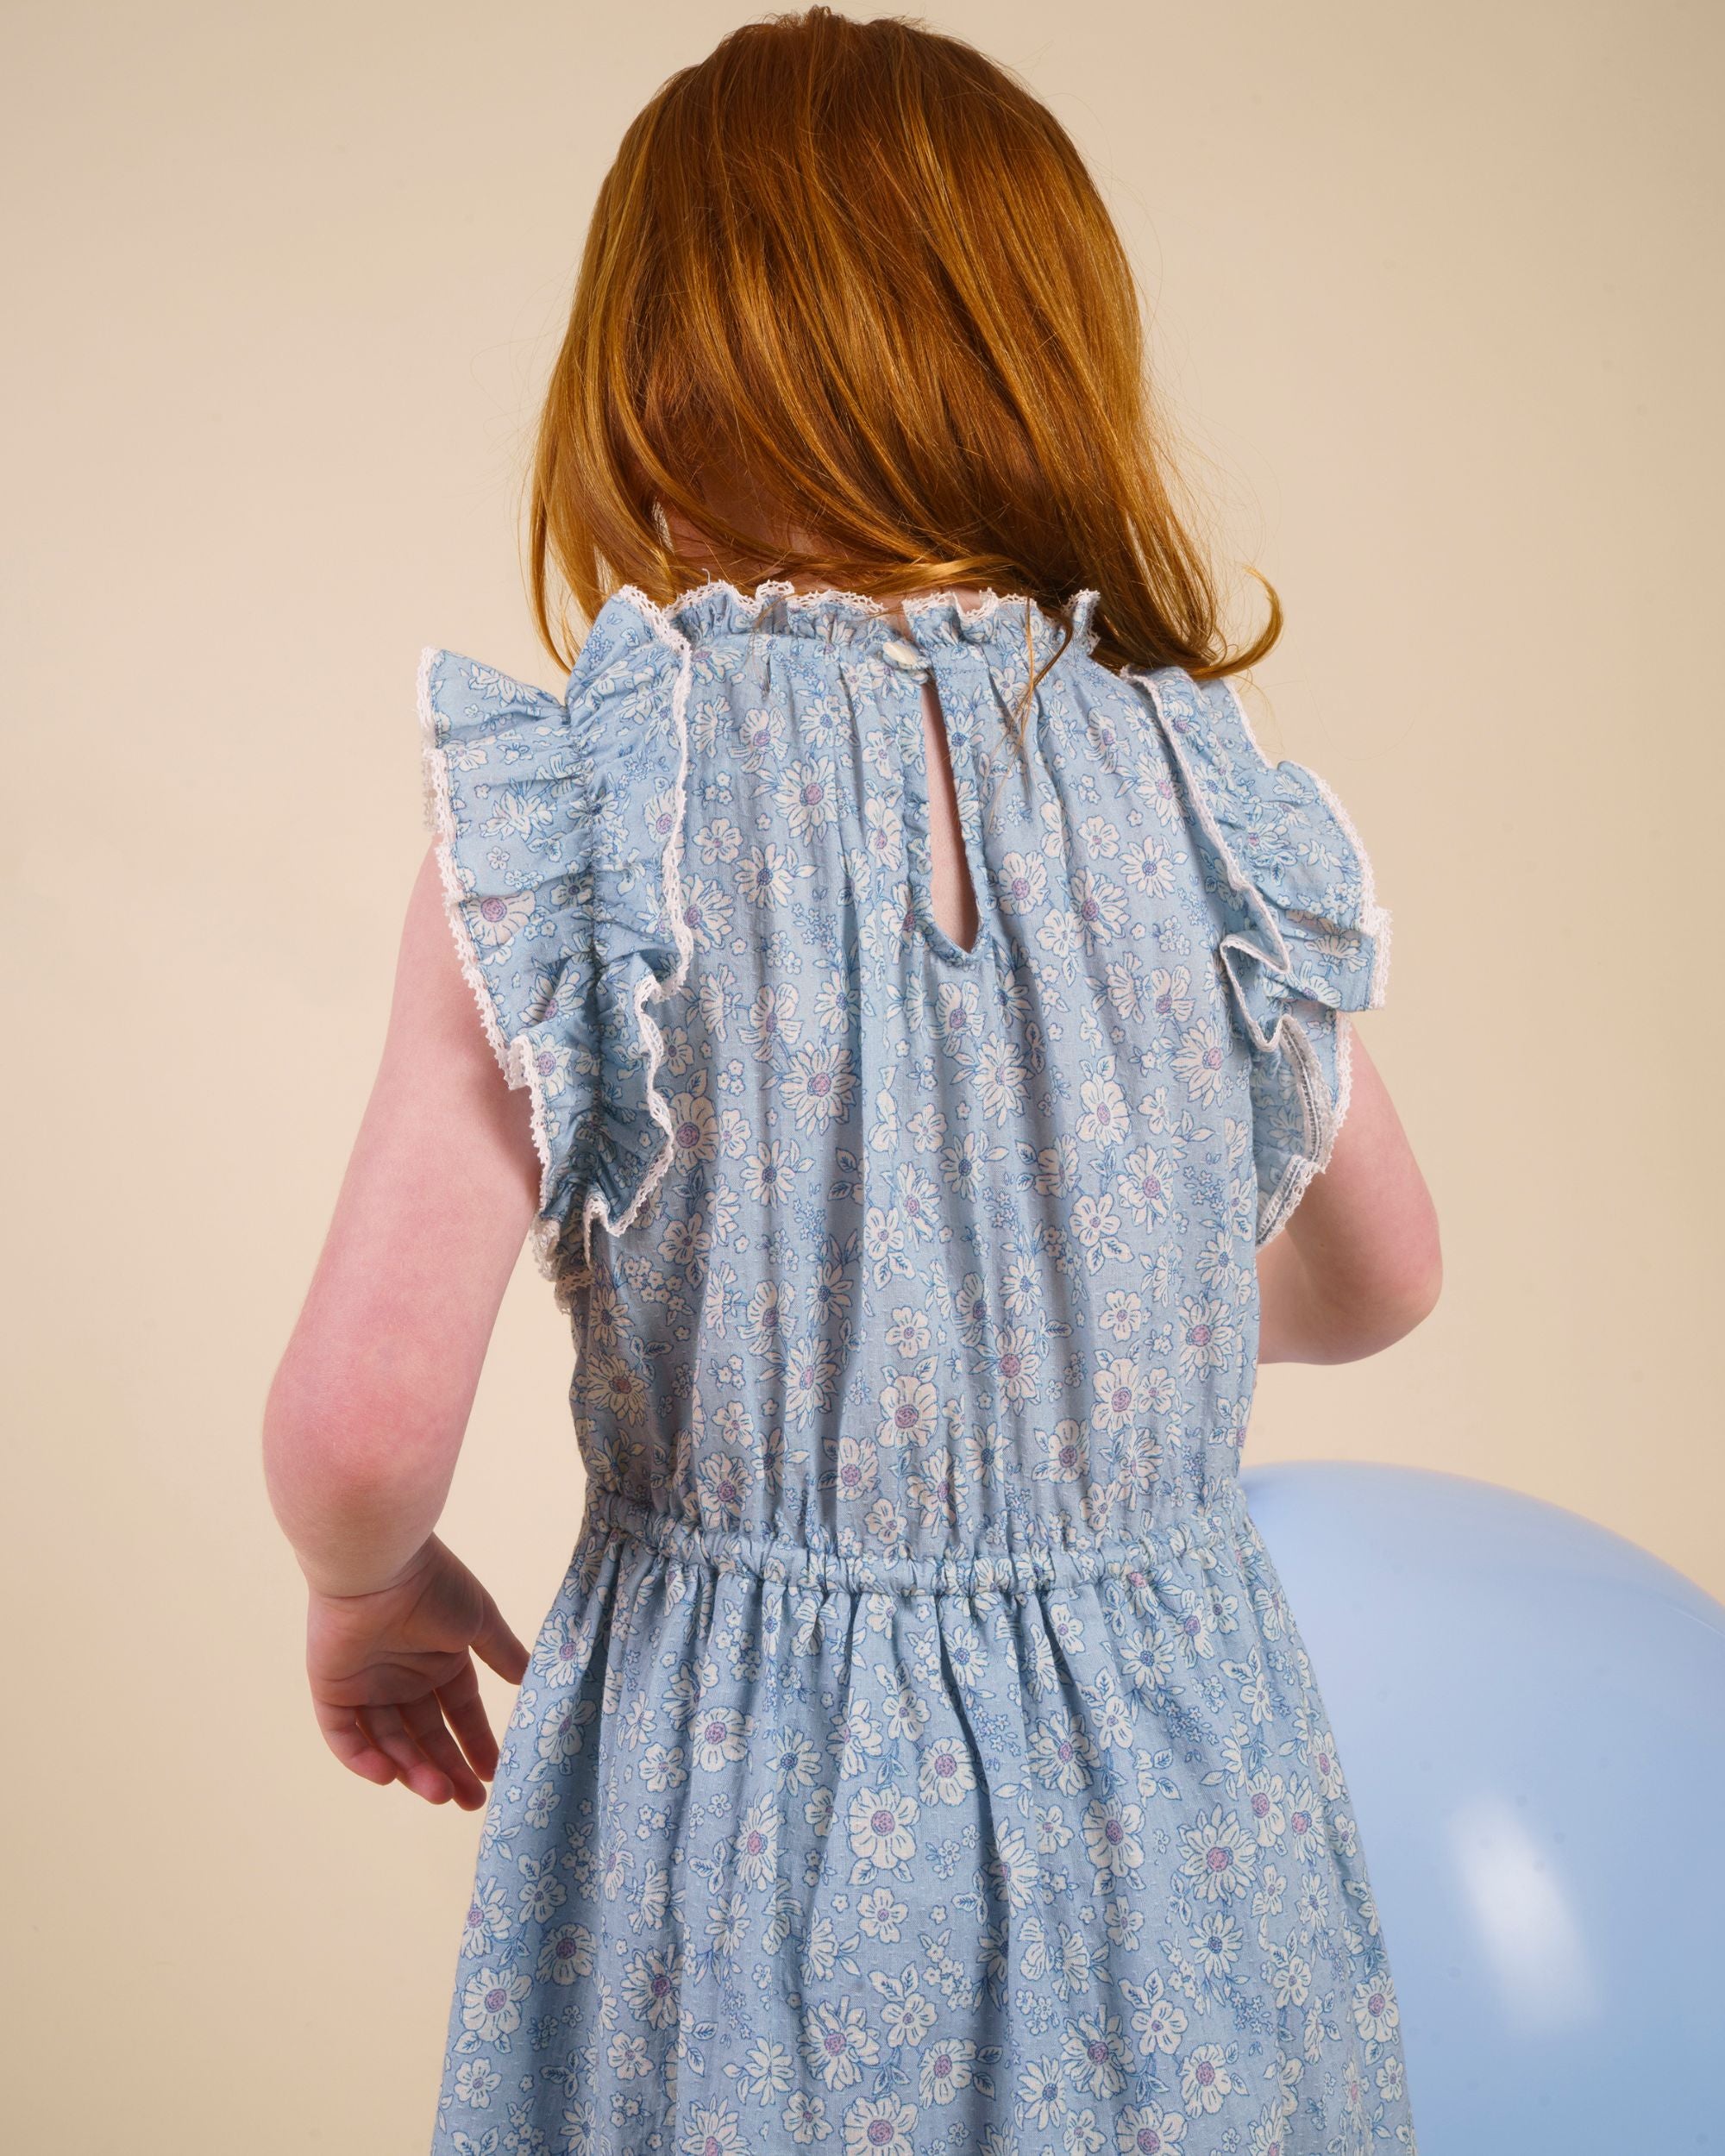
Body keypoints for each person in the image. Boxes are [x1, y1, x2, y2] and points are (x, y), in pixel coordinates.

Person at [263, 11, 1440, 2152]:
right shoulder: (1193, 791)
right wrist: (1082, 1327)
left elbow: (360, 1429)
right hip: (1172, 1805)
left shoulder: (579, 815)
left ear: (643, 373)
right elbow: (1381, 1276)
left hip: (747, 1816)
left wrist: (368, 1589)